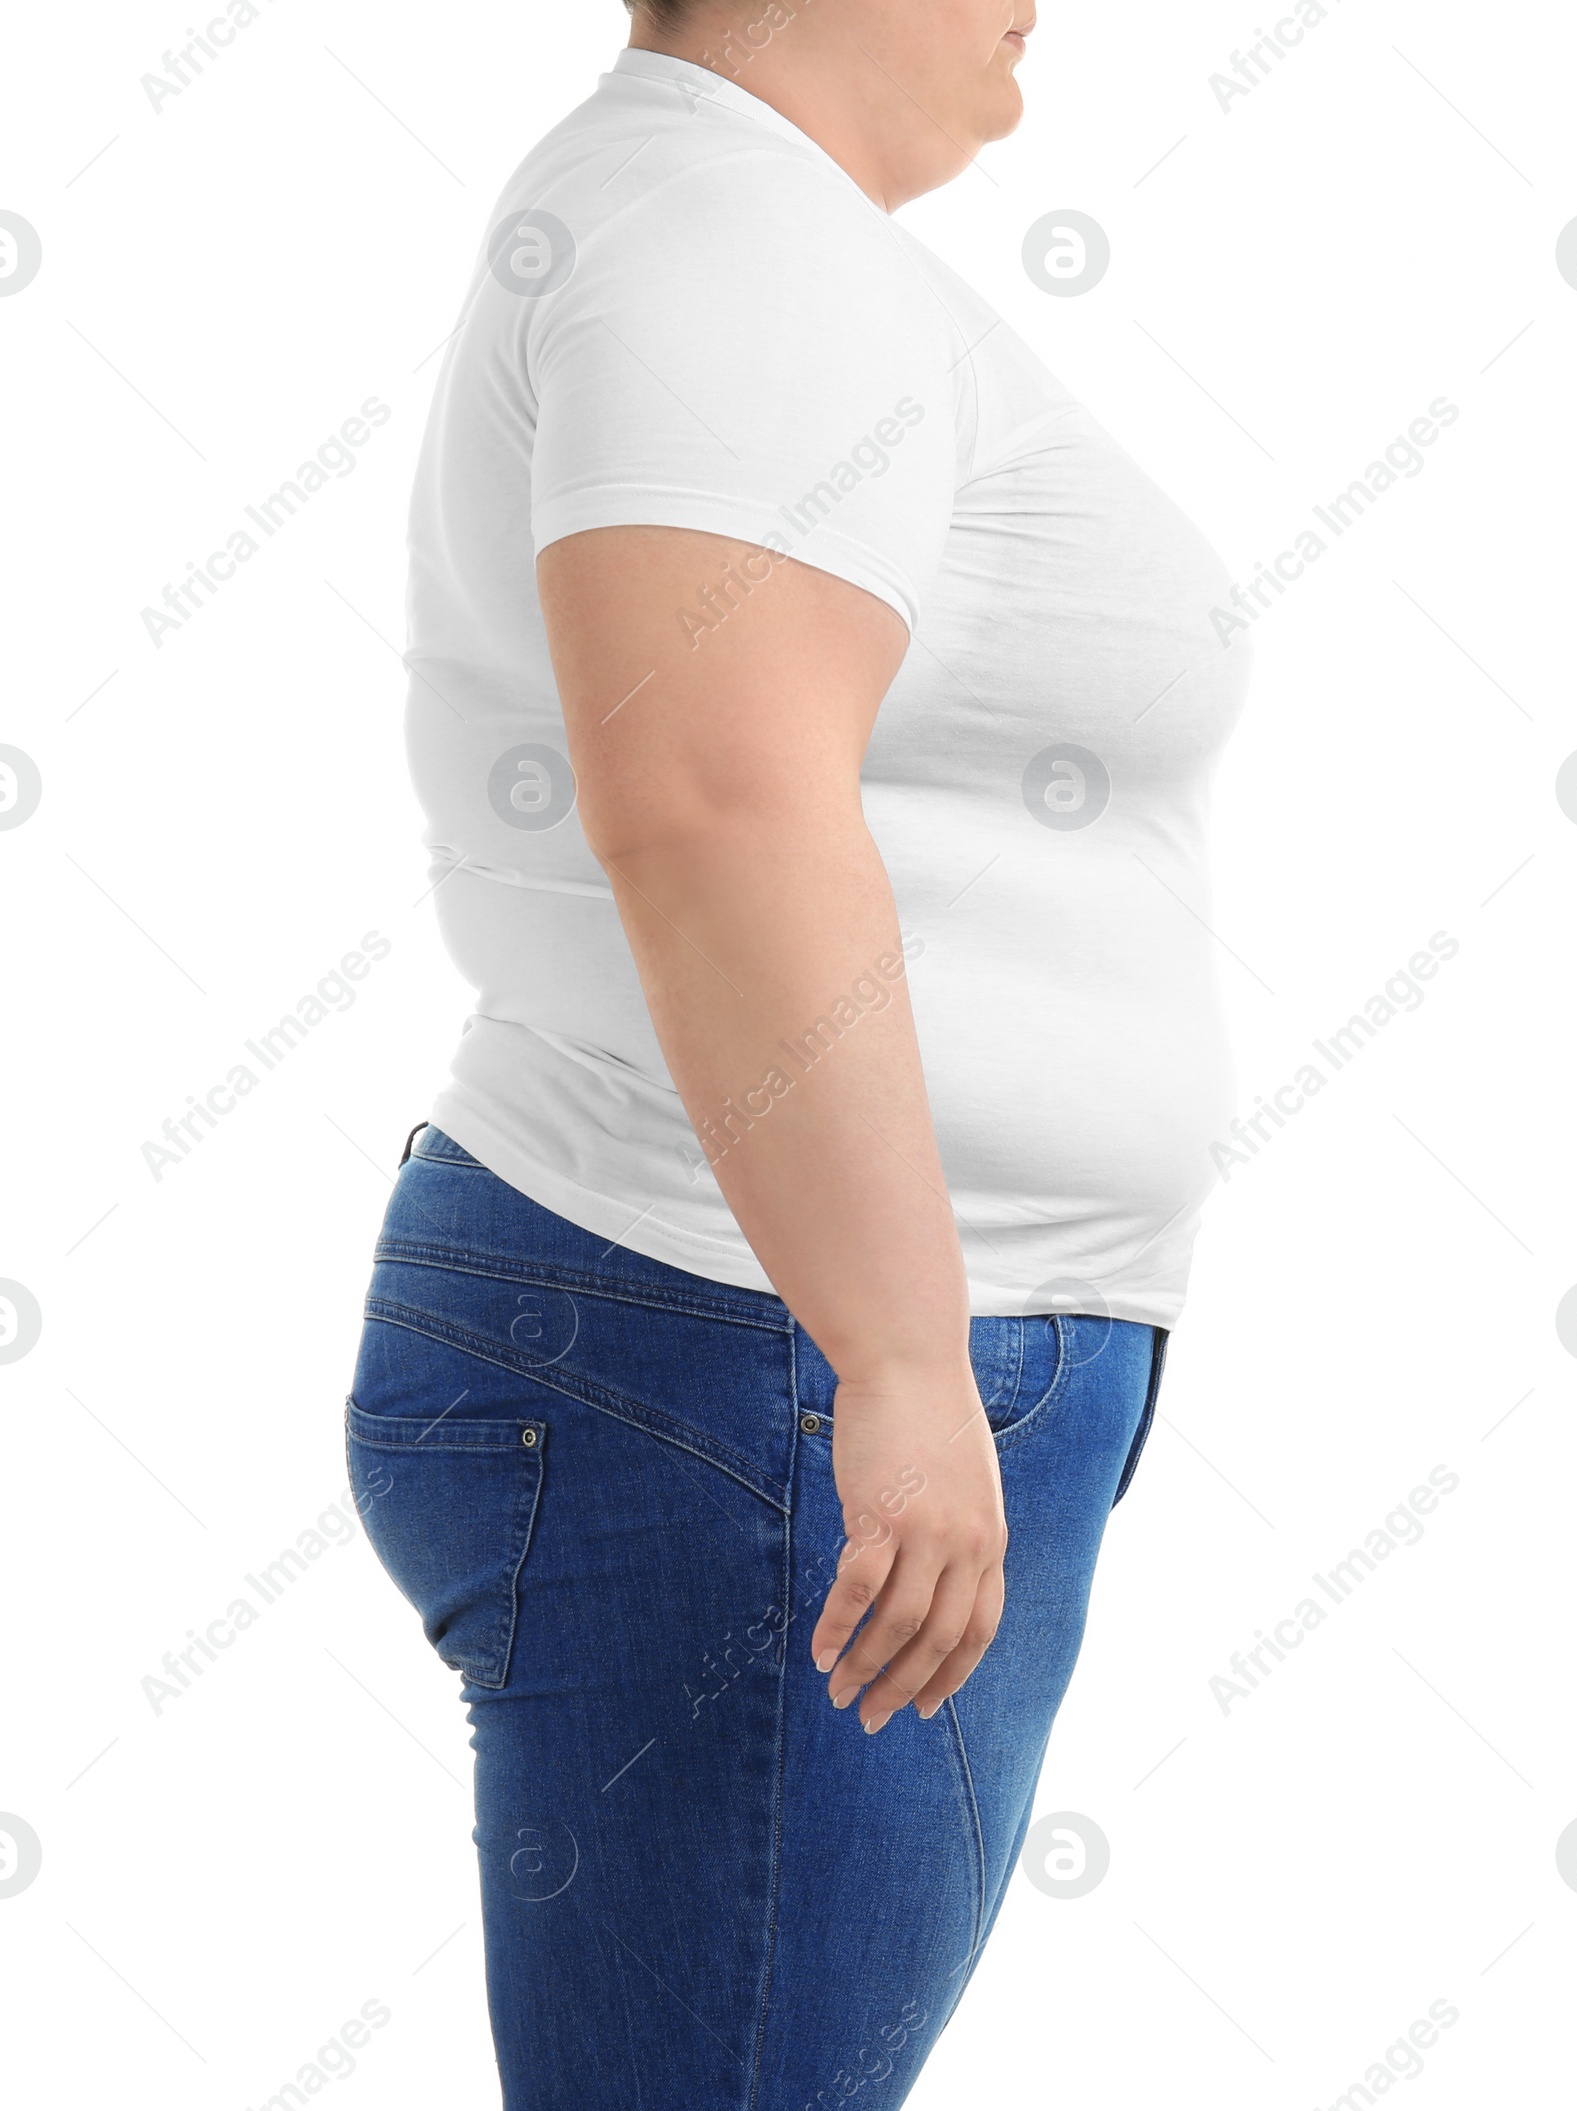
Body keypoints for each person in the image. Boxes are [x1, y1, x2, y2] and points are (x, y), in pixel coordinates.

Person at [346, 3, 1251, 2103]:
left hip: (767, 1365)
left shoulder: (746, 234)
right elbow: (713, 798)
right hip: (746, 1364)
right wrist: (900, 1359)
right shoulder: (716, 233)